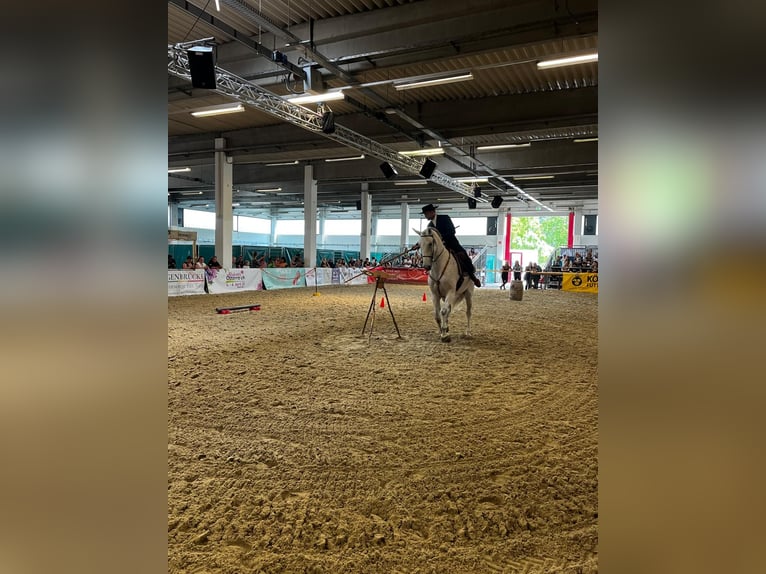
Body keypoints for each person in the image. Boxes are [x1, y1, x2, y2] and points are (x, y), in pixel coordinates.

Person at [411, 204, 481, 287]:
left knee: (463, 255)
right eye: (425, 214)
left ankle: (472, 277)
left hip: (452, 244)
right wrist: (417, 245)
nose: (425, 216)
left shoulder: (445, 218)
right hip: (438, 248)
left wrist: (440, 238)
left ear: (432, 212)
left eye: (426, 214)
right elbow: (427, 239)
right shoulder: (429, 226)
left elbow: (452, 231)